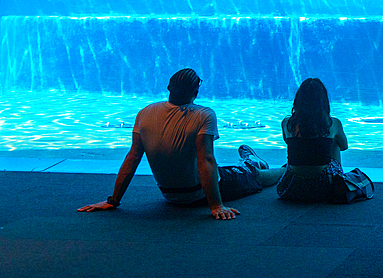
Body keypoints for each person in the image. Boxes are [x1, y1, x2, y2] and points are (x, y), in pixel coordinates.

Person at [78, 68, 282, 220]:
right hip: (198, 194)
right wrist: (216, 205)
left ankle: (250, 160)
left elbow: (132, 158)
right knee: (257, 176)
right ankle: (277, 167)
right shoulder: (204, 114)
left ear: (168, 87)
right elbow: (206, 160)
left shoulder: (145, 112)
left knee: (228, 170)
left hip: (170, 195)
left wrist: (113, 200)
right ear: (196, 91)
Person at [275, 77, 351, 202]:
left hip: (292, 186)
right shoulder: (333, 123)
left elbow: (288, 142)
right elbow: (344, 146)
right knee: (334, 142)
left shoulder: (287, 123)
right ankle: (338, 178)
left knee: (299, 149)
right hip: (325, 186)